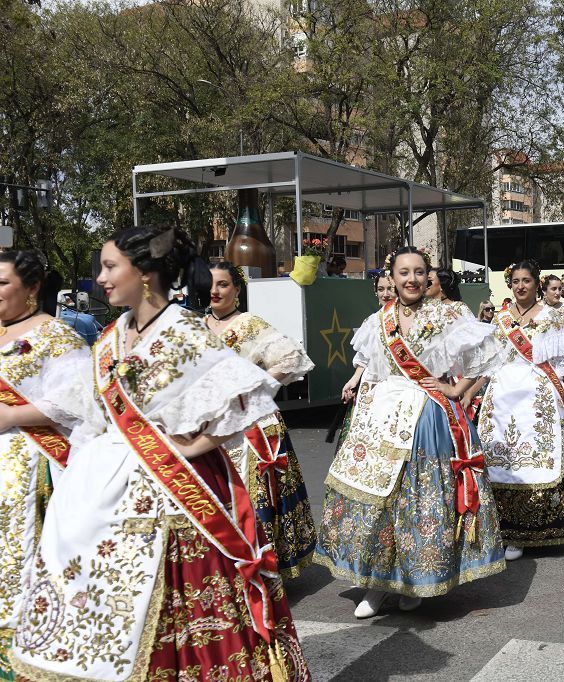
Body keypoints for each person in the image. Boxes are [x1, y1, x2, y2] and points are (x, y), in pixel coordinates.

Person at [12, 226, 309, 681]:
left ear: (146, 273)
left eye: (111, 267)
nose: (102, 278)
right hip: (108, 490)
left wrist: (192, 446)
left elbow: (243, 397)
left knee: (179, 604)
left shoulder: (183, 333)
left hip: (176, 491)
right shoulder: (113, 335)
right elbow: (92, 412)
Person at [315, 246, 507, 618]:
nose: (413, 280)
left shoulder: (449, 312)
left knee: (417, 498)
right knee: (376, 500)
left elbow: (485, 354)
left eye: (420, 272)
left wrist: (455, 389)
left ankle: (414, 578)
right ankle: (376, 582)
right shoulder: (379, 319)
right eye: (405, 273)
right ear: (393, 275)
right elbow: (372, 368)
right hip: (383, 417)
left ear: (429, 276)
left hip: (428, 417)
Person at [0, 251, 91, 680]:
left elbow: (77, 400)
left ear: (32, 288)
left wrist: (12, 416)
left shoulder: (57, 336)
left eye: (2, 283)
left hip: (29, 464)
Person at [474, 260, 564, 561]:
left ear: (536, 283)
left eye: (527, 280)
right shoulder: (500, 318)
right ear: (510, 284)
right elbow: (487, 363)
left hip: (539, 395)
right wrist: (467, 396)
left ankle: (532, 529)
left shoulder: (553, 317)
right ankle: (503, 527)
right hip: (501, 396)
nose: (521, 286)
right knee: (500, 458)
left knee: (533, 460)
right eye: (516, 281)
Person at [206, 261, 318, 578]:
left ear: (237, 290)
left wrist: (255, 390)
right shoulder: (195, 328)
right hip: (208, 428)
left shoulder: (249, 324)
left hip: (248, 428)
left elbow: (291, 358)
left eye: (223, 284)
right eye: (210, 284)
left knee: (250, 499)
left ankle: (260, 567)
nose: (215, 291)